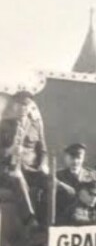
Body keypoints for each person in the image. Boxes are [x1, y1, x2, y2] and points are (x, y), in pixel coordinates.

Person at [0, 90, 48, 226]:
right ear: (14, 106)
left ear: (30, 107)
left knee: (56, 185)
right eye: (20, 105)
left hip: (30, 169)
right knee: (17, 178)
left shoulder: (36, 125)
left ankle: (50, 223)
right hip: (6, 171)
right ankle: (30, 221)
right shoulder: (4, 125)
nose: (22, 108)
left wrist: (43, 165)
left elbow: (43, 149)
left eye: (26, 105)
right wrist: (9, 150)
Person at [55, 142, 96, 220]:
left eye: (78, 158)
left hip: (86, 219)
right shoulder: (58, 176)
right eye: (72, 158)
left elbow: (94, 201)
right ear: (66, 158)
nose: (75, 162)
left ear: (83, 158)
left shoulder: (91, 175)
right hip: (64, 220)